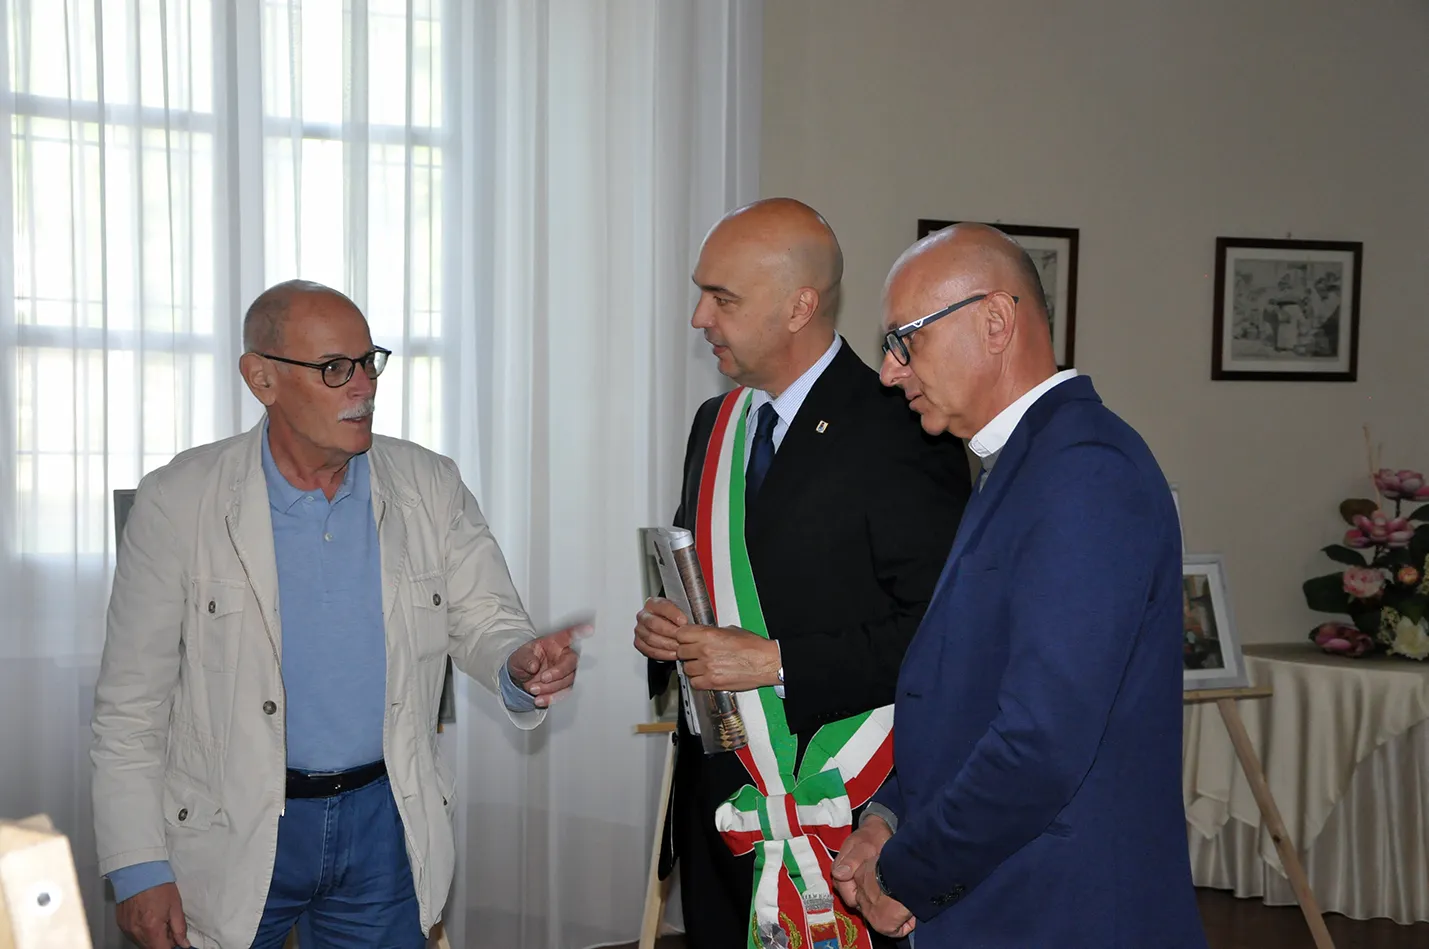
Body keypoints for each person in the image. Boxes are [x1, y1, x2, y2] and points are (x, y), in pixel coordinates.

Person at [91, 281, 584, 949]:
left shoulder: (429, 484)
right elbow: (130, 705)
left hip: (384, 823)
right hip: (230, 826)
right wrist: (138, 865)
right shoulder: (179, 500)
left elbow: (485, 617)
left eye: (368, 362)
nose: (363, 387)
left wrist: (517, 662)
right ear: (262, 378)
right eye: (333, 368)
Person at [832, 224, 1207, 948]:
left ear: (995, 322)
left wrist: (908, 872)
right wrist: (888, 815)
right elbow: (969, 698)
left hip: (1060, 910)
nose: (887, 371)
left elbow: (1040, 742)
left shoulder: (1085, 470)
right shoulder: (1024, 460)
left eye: (905, 341)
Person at [633, 199, 970, 948]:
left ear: (799, 307)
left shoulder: (902, 427)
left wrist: (775, 663)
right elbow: (712, 581)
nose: (698, 317)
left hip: (843, 808)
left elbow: (943, 636)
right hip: (721, 806)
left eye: (722, 298)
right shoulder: (716, 425)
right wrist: (665, 629)